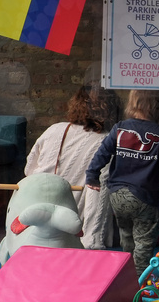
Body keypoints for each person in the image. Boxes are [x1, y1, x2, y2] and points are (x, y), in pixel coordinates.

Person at [85, 90, 159, 276]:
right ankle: (139, 277)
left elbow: (102, 153)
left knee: (126, 235)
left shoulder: (119, 128)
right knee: (144, 238)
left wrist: (92, 175)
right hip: (143, 195)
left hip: (117, 194)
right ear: (158, 107)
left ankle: (126, 272)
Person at [24, 83, 121, 249]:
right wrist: (94, 238)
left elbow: (29, 172)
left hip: (36, 224)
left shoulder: (54, 130)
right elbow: (100, 192)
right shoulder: (108, 142)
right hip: (77, 233)